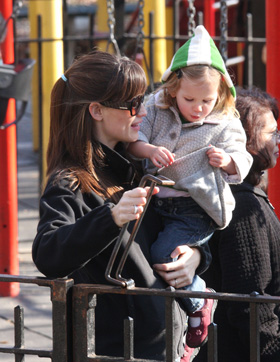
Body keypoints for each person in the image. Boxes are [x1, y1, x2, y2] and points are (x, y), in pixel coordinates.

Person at [32, 49, 212, 362]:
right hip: (116, 349)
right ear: (97, 111)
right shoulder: (71, 180)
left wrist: (195, 256)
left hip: (161, 343)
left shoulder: (136, 166)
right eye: (132, 104)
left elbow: (182, 223)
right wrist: (111, 217)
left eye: (143, 100)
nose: (143, 112)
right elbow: (47, 252)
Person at [128, 25, 253, 350]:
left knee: (161, 255)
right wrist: (149, 151)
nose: (198, 107)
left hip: (195, 206)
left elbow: (242, 157)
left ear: (221, 94)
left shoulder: (225, 120)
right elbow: (135, 140)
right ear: (172, 89)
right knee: (144, 256)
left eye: (207, 100)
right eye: (189, 99)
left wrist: (226, 160)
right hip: (158, 200)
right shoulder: (157, 107)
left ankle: (199, 300)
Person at [196, 86, 280, 362]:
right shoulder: (242, 205)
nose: (277, 140)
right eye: (271, 133)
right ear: (246, 140)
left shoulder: (244, 194)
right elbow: (251, 303)